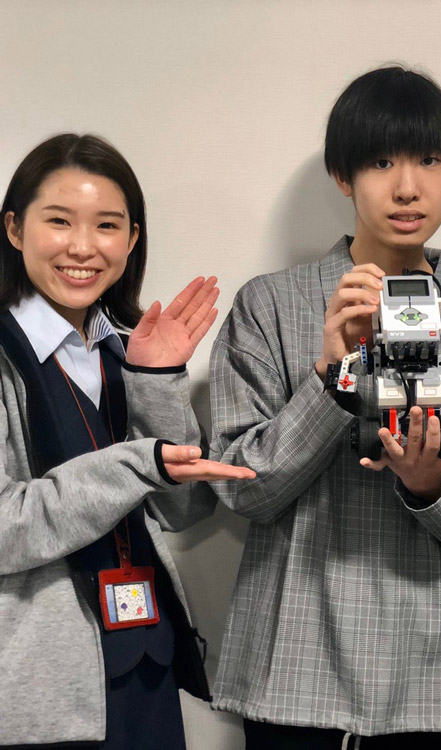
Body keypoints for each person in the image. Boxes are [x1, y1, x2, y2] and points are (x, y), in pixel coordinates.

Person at [209, 66, 441, 749]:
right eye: (381, 162)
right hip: (299, 668)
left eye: (429, 160)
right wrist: (332, 379)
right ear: (342, 175)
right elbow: (241, 490)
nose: (408, 186)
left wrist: (430, 484)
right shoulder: (270, 305)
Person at [0, 133, 254, 748]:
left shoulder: (126, 347)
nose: (83, 246)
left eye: (107, 225)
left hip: (146, 660)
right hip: (39, 689)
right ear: (14, 229)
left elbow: (183, 509)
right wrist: (142, 463)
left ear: (132, 239)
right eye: (59, 220)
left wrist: (157, 380)